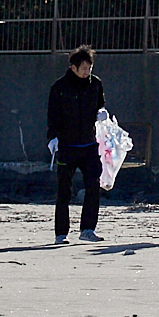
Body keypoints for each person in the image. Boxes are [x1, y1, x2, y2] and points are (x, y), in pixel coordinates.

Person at [46, 45, 109, 244]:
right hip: (66, 146)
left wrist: (101, 114)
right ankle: (61, 234)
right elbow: (52, 115)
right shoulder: (59, 87)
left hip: (89, 145)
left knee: (93, 185)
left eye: (89, 68)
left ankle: (88, 229)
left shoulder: (96, 84)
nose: (87, 72)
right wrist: (52, 137)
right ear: (73, 67)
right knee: (64, 190)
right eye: (83, 68)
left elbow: (100, 104)